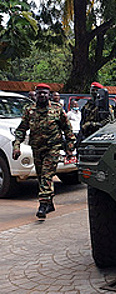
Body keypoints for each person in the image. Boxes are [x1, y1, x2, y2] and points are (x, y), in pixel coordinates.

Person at [12, 84, 76, 219]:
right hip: (36, 148)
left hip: (53, 148)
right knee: (41, 176)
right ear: (35, 95)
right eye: (39, 93)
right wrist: (17, 146)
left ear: (49, 95)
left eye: (45, 93)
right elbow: (21, 129)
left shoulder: (57, 109)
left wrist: (70, 148)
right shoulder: (30, 110)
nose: (42, 95)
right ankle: (50, 203)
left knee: (47, 174)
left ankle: (42, 204)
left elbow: (67, 129)